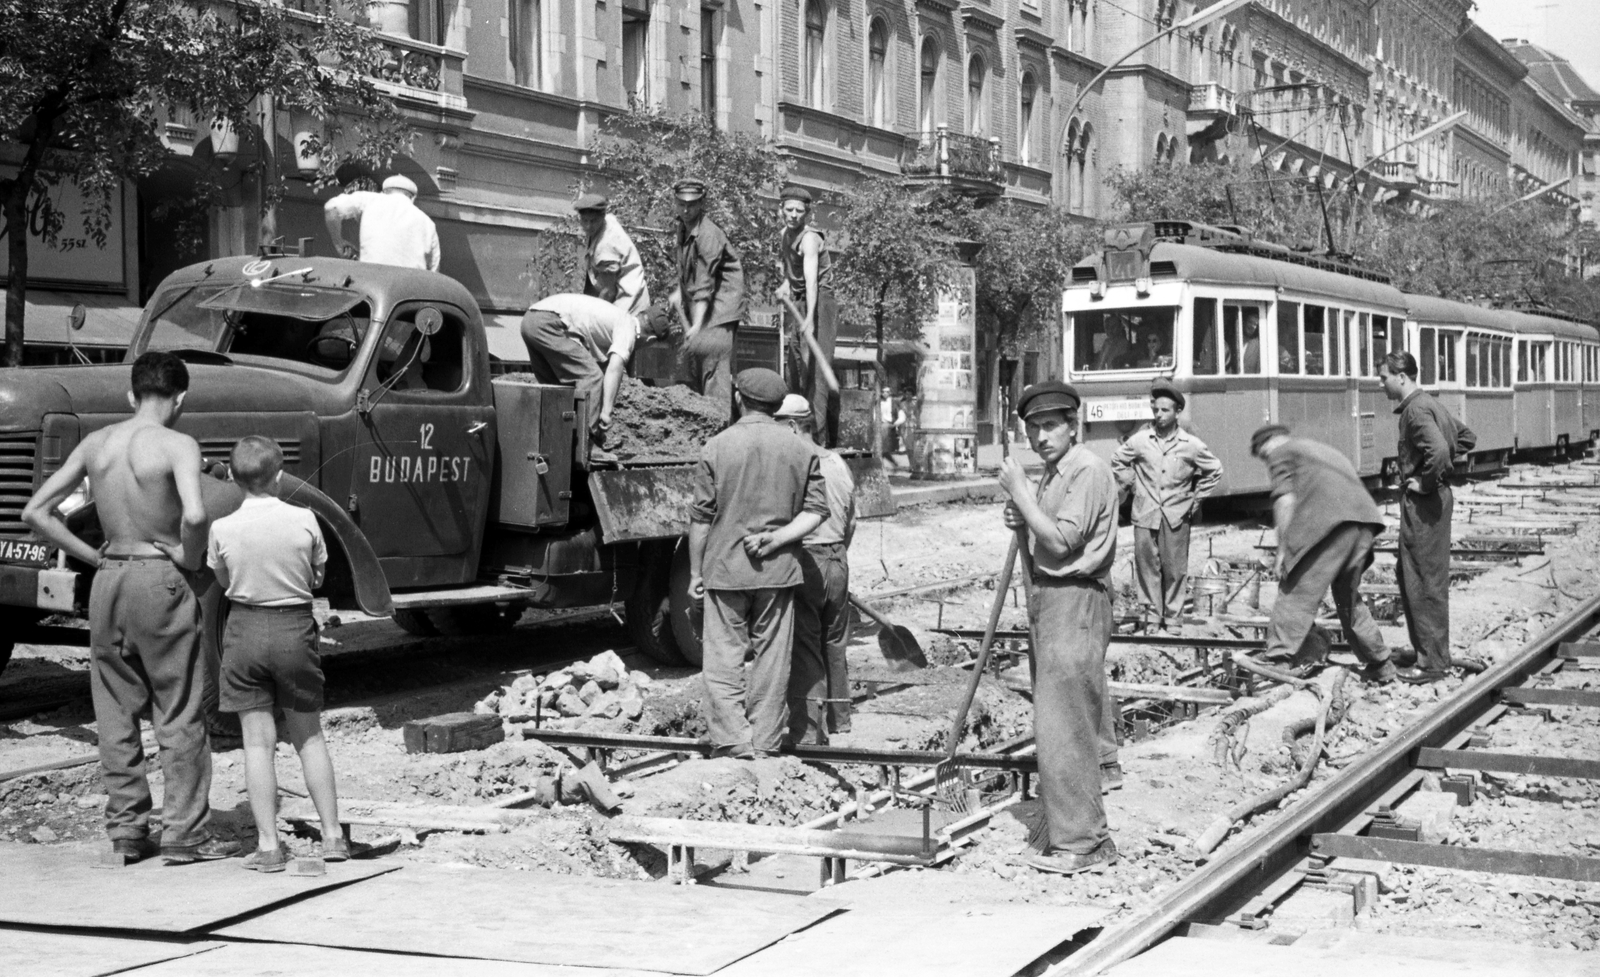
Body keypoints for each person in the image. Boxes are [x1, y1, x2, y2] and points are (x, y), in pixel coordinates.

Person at [21, 352, 239, 865]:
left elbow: (36, 512)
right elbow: (194, 512)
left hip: (109, 579)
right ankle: (183, 834)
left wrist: (93, 555)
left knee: (114, 711)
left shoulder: (97, 443)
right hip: (161, 579)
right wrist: (188, 555)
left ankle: (127, 833)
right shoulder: (179, 444)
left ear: (130, 395)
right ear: (180, 399)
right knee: (179, 706)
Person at [206, 437, 346, 872]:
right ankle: (333, 836)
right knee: (309, 736)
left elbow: (222, 577)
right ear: (281, 476)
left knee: (256, 743)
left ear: (231, 477)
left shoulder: (222, 528)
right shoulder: (305, 519)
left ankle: (268, 847)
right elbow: (319, 576)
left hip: (244, 629)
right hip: (293, 628)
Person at [998, 381, 1120, 875]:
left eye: (1052, 425)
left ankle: (1085, 843)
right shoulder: (1056, 471)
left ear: (1074, 426)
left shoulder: (1088, 468)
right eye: (1034, 427)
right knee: (1058, 719)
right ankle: (1069, 827)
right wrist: (1021, 512)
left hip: (1076, 599)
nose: (1042, 435)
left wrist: (1022, 496)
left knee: (1064, 723)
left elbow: (1062, 540)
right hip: (1051, 598)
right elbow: (1041, 532)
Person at [689, 369, 828, 758]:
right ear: (779, 406)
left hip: (725, 570)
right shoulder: (802, 451)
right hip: (778, 571)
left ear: (738, 398)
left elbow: (701, 519)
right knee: (772, 658)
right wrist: (777, 539)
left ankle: (734, 740)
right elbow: (817, 512)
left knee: (722, 659)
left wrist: (695, 573)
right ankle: (766, 741)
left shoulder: (716, 447)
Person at [1250, 424, 1395, 684]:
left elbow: (1284, 500)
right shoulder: (1317, 449)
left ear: (1267, 444)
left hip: (1331, 524)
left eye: (1262, 456)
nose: (1265, 461)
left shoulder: (1280, 452)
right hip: (1364, 522)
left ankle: (1279, 660)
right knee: (1347, 600)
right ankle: (1380, 662)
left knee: (1295, 589)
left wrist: (1283, 549)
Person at [1380, 350, 1476, 684]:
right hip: (1433, 502)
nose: (1382, 384)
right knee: (1417, 574)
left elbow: (1439, 450)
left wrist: (1424, 480)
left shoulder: (1416, 410)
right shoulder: (1429, 404)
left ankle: (1433, 663)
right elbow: (1465, 437)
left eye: (1384, 377)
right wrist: (1434, 469)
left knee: (1422, 578)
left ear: (1401, 376)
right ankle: (1430, 652)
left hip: (1425, 505)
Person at [775, 394, 856, 745]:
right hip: (839, 557)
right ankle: (840, 718)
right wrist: (837, 555)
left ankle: (808, 730)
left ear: (794, 426)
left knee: (805, 643)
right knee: (834, 642)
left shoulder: (798, 465)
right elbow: (852, 520)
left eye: (778, 427)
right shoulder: (838, 462)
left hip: (809, 560)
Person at [1111, 381, 1223, 632]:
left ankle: (1173, 619)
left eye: (1165, 410)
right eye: (1156, 410)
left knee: (1174, 568)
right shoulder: (1140, 440)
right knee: (1147, 567)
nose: (1159, 415)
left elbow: (1215, 469)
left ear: (1177, 412)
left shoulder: (1190, 445)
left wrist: (1195, 499)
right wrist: (1130, 482)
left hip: (1176, 515)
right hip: (1145, 514)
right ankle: (1151, 618)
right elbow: (1117, 459)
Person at [520, 293, 675, 462]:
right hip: (548, 323)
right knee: (591, 376)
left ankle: (558, 441)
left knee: (558, 390)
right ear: (651, 339)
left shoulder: (614, 320)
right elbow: (614, 369)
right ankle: (587, 444)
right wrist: (607, 412)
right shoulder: (628, 328)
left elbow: (602, 367)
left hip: (530, 320)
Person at [670, 178, 747, 420]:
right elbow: (688, 276)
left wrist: (696, 325)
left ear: (702, 203)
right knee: (692, 373)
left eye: (691, 205)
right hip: (703, 316)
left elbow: (704, 284)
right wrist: (679, 294)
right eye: (681, 204)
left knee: (714, 379)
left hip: (718, 316)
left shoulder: (708, 234)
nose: (685, 209)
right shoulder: (683, 229)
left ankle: (719, 433)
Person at [775, 186, 838, 446]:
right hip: (801, 304)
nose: (793, 215)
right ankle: (797, 433)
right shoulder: (783, 236)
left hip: (821, 304)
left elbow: (811, 281)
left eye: (799, 211)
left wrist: (810, 318)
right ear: (780, 210)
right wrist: (785, 287)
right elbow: (792, 276)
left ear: (807, 213)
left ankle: (820, 440)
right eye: (788, 210)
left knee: (817, 376)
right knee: (796, 369)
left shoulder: (810, 239)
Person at [323, 175, 441, 271]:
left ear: (384, 192)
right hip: (410, 291)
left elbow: (331, 208)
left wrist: (338, 243)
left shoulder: (370, 200)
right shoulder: (427, 223)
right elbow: (434, 270)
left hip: (374, 285)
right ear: (413, 198)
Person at [576, 193, 650, 316]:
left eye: (593, 221)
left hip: (629, 304)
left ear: (602, 216)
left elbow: (608, 292)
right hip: (630, 296)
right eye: (585, 220)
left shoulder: (605, 247)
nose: (588, 226)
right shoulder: (606, 221)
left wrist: (590, 317)